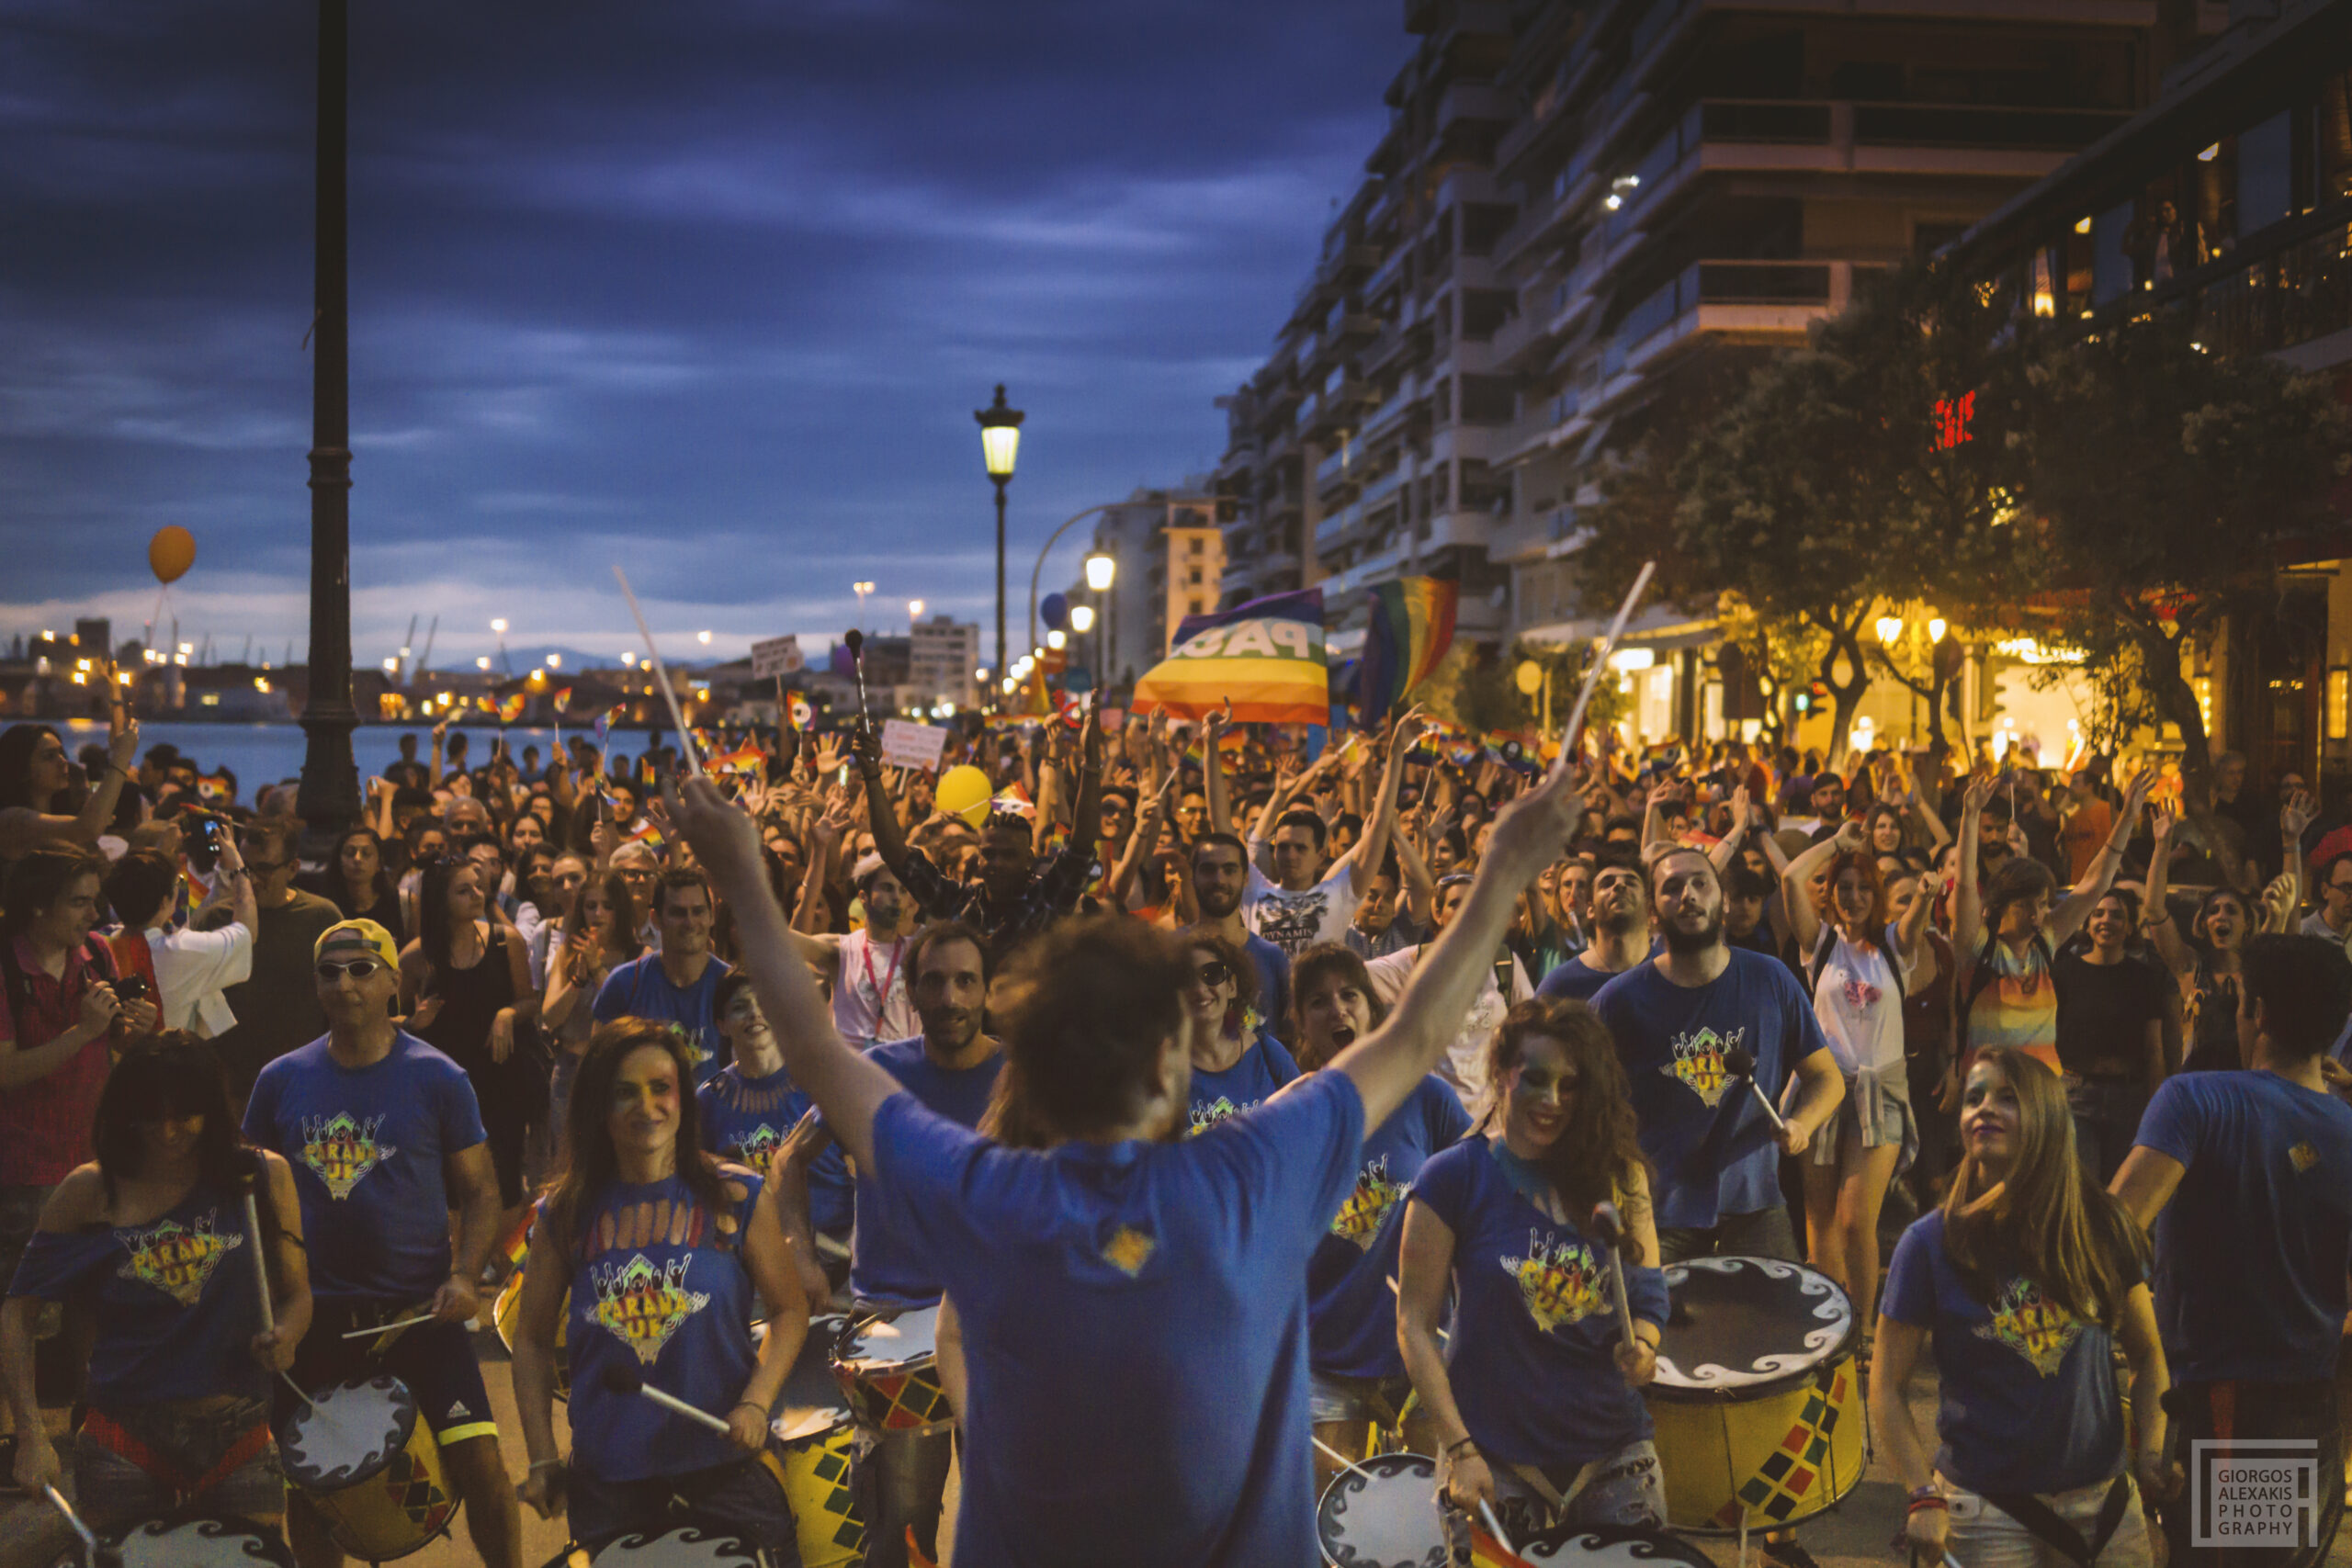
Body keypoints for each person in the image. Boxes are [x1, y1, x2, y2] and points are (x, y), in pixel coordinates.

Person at [662, 751, 1589, 1565]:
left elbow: (819, 1060)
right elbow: (1421, 1028)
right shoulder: (1256, 1171)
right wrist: (1507, 864)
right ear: (1169, 1055)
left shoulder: (982, 1194)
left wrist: (741, 871)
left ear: (1033, 1063)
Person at [243, 919, 519, 1568]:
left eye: (362, 968)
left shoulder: (439, 1076)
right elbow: (245, 1195)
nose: (345, 982)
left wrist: (464, 1275)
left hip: (418, 1313)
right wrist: (269, 1308)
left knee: (480, 1463)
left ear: (396, 979)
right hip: (316, 1319)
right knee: (314, 1493)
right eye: (330, 970)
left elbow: (481, 1192)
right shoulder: (278, 1080)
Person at [512, 1020, 810, 1560]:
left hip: (728, 1475)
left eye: (660, 1087)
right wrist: (540, 1455)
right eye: (623, 1092)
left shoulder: (737, 1195)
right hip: (610, 1485)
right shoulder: (564, 1213)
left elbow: (790, 1311)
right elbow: (530, 1340)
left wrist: (755, 1402)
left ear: (683, 1097)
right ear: (597, 1108)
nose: (645, 1106)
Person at [2, 1036, 311, 1533]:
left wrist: (289, 1336)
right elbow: (18, 1313)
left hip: (240, 1433)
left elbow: (297, 1295)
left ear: (212, 1110)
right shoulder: (89, 1190)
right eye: (149, 1116)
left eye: (185, 1116)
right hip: (124, 1436)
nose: (167, 1132)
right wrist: (31, 1434)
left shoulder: (259, 1176)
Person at [1872, 1047, 2167, 1568]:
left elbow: (2148, 1357)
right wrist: (1923, 1494)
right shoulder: (1928, 1244)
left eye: (2008, 1097)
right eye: (1974, 1098)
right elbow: (1886, 1388)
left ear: (2050, 1117)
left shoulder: (2102, 1227)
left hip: (2105, 1506)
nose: (1984, 1108)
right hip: (1984, 1511)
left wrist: (2151, 1457)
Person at [2111, 934, 2352, 1568]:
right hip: (2319, 1411)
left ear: (2260, 1011)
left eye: (2242, 998)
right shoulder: (2349, 1128)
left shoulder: (2198, 1098)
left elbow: (2109, 1230)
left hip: (2235, 1414)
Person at [1398, 997, 1668, 1538]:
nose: (1551, 1101)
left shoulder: (1619, 1175)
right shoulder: (1452, 1177)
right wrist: (1459, 1447)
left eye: (1569, 1086)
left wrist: (1644, 1346)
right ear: (1500, 1075)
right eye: (1535, 1080)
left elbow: (1649, 1292)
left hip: (1613, 1453)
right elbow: (1413, 1325)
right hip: (1493, 1460)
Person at [1591, 846, 1845, 1265]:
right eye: (1671, 888)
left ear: (1723, 901)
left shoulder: (1771, 978)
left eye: (1700, 883)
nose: (1687, 894)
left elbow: (1827, 1078)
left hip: (1755, 1206)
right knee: (1651, 1328)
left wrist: (1802, 1123)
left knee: (1781, 1326)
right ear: (1653, 913)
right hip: (1658, 1213)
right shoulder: (1619, 1001)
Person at [1290, 942, 1468, 1485]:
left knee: (1439, 1525)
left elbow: (1479, 1192)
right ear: (1301, 1022)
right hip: (1326, 1355)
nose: (1338, 1010)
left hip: (1426, 1351)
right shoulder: (1289, 1116)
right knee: (1329, 1530)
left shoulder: (1427, 1098)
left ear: (1372, 1008)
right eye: (1319, 1002)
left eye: (1350, 995)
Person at [774, 920, 1000, 1312]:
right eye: (933, 981)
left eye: (966, 981)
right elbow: (789, 1158)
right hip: (886, 1309)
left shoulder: (1025, 1079)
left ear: (988, 991)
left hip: (992, 1314)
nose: (950, 998)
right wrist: (799, 1254)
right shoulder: (873, 1072)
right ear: (910, 993)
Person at [1781, 824, 1939, 1332]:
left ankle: (1865, 1331)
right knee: (1820, 1220)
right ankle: (1823, 1327)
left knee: (1855, 1221)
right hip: (1824, 1091)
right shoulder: (1819, 944)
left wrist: (1929, 894)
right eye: (1843, 887)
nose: (1853, 897)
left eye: (1863, 888)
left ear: (1876, 895)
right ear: (1830, 893)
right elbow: (1789, 877)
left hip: (1881, 1093)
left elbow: (1915, 917)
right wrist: (1837, 845)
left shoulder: (1894, 944)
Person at [857, 714, 1102, 963]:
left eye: (1009, 855)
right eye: (989, 853)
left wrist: (1092, 764)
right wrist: (872, 776)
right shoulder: (960, 902)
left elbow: (1080, 846)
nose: (996, 862)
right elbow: (896, 855)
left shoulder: (1047, 898)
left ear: (1029, 859)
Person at [1956, 769, 2154, 1075]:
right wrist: (1970, 816)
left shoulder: (2044, 941)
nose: (2037, 914)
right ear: (1999, 906)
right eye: (2024, 905)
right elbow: (1966, 883)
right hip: (1992, 1096)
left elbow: (2095, 883)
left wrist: (2127, 817)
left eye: (2042, 903)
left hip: (2045, 1101)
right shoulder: (1978, 948)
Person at [1207, 709, 1414, 959]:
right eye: (1282, 847)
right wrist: (1210, 745)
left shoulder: (1338, 894)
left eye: (1300, 848)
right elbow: (1221, 826)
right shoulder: (1255, 891)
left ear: (1321, 854)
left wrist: (1395, 751)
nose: (1289, 855)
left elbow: (1380, 825)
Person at [400, 856, 540, 1219]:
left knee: (507, 1181)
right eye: (464, 890)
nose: (477, 894)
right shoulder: (416, 956)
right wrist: (414, 1022)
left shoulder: (503, 940)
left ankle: (510, 1271)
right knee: (454, 1186)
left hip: (500, 1076)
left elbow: (529, 1001)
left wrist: (508, 1013)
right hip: (444, 1084)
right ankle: (467, 1266)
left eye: (478, 886)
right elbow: (392, 1021)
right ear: (439, 899)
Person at [207, 821, 342, 1107]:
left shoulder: (322, 917)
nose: (252, 879)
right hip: (229, 1087)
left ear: (293, 868)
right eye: (244, 868)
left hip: (305, 1081)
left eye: (264, 869)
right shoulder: (216, 921)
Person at [1365, 873, 1535, 1100]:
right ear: (1437, 913)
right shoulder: (1415, 963)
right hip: (1434, 1118)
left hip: (1489, 1121)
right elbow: (1351, 974)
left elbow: (1533, 1032)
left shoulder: (1505, 964)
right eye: (1455, 904)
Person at [2052, 887, 2170, 1185]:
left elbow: (2154, 1050)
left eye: (2117, 915)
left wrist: (2155, 1108)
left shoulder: (2145, 978)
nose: (2107, 921)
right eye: (2098, 913)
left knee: (2120, 1194)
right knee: (2082, 1190)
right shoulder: (2064, 973)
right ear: (2086, 923)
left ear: (2130, 927)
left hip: (2128, 1096)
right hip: (2076, 1094)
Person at [591, 867, 731, 1086]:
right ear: (656, 919)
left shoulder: (731, 985)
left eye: (698, 911)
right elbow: (597, 1067)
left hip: (715, 1116)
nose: (690, 922)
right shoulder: (625, 983)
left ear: (712, 915)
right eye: (678, 912)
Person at [107, 843, 256, 1038]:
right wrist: (238, 867)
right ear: (163, 902)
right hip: (169, 1061)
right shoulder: (180, 949)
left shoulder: (101, 943)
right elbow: (247, 932)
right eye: (176, 883)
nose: (180, 887)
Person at [784, 832, 918, 1047]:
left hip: (901, 1074)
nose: (896, 897)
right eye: (887, 888)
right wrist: (819, 852)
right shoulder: (842, 950)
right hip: (852, 1074)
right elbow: (788, 944)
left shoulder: (918, 952)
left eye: (902, 891)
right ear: (863, 898)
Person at [543, 870, 639, 1164]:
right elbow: (550, 1017)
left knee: (616, 1159)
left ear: (620, 911)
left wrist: (599, 970)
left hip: (618, 1067)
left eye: (607, 906)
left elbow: (633, 1017)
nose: (598, 913)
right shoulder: (567, 953)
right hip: (570, 1067)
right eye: (591, 905)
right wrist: (578, 979)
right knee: (569, 1160)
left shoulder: (637, 955)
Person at [1179, 931, 1300, 1134]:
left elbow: (1303, 1123)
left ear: (1232, 986)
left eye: (1212, 974)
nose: (1200, 988)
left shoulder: (1268, 1053)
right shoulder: (1164, 1070)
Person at [1182, 831, 1292, 1039]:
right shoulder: (1172, 951)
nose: (1219, 879)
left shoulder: (1271, 957)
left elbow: (1289, 1038)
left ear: (1245, 878)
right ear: (1193, 877)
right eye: (1208, 870)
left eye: (1229, 870)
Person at [0, 709, 139, 869]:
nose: (63, 761)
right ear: (21, 769)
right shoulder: (11, 821)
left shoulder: (61, 814)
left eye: (61, 753)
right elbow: (86, 830)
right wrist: (120, 759)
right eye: (49, 756)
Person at [1537, 853, 1650, 1001]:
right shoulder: (1560, 984)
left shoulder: (1669, 973)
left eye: (1631, 882)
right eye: (1607, 883)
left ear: (1650, 908)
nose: (1619, 885)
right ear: (1590, 909)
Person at [300, 826, 405, 945]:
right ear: (338, 861)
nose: (357, 859)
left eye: (366, 853)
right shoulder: (325, 909)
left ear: (379, 864)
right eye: (350, 853)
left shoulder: (399, 902)